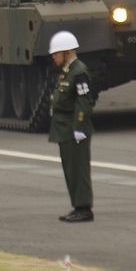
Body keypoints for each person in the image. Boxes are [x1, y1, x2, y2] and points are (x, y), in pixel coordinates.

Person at [47, 30, 94, 223]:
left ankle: (84, 208)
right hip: (64, 128)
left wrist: (79, 126)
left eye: (56, 53)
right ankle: (77, 206)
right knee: (70, 169)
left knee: (78, 169)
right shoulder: (67, 71)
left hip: (73, 128)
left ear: (66, 52)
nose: (53, 57)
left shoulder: (79, 71)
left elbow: (84, 100)